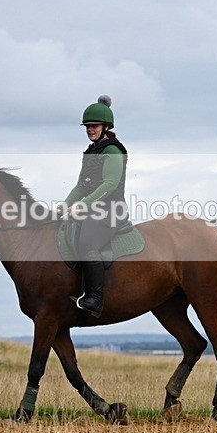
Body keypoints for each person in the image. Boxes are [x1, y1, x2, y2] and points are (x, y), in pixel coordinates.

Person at [59, 95, 130, 318]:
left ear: (105, 126)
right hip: (92, 210)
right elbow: (81, 186)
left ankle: (95, 299)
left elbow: (110, 184)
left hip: (111, 211)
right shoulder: (91, 152)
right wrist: (65, 205)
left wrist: (82, 205)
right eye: (87, 126)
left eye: (94, 126)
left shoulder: (113, 151)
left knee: (87, 240)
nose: (90, 130)